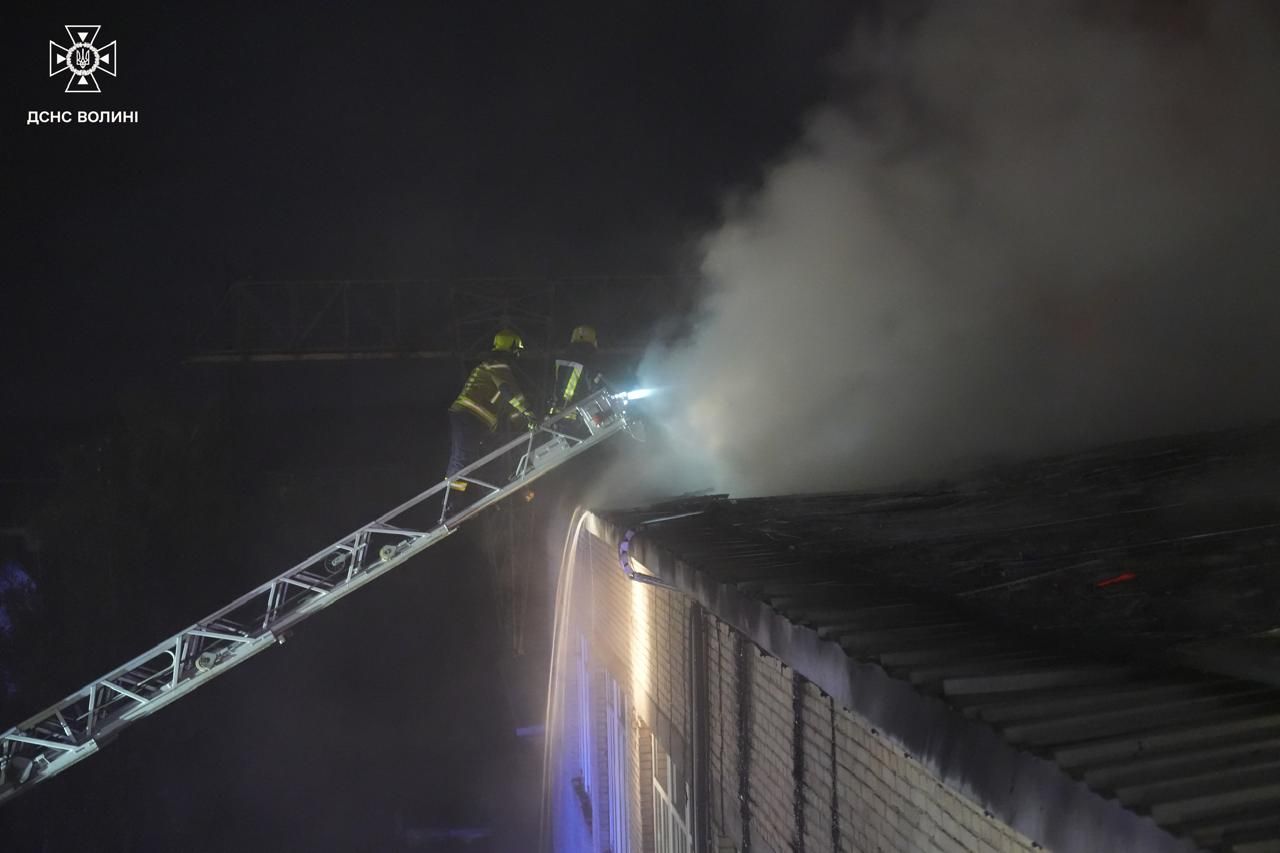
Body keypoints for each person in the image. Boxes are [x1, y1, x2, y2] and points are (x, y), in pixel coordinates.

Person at [444, 328, 536, 513]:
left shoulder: (498, 368)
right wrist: (528, 412)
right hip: (468, 417)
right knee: (463, 459)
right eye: (516, 350)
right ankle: (452, 504)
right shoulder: (496, 365)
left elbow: (509, 407)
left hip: (477, 422)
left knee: (482, 459)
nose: (518, 355)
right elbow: (510, 392)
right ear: (510, 348)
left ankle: (483, 497)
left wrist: (524, 423)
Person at [548, 325, 603, 432]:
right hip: (576, 420)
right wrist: (598, 412)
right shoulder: (589, 363)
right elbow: (596, 391)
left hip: (554, 418)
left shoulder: (558, 361)